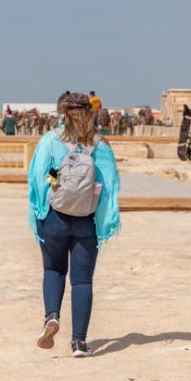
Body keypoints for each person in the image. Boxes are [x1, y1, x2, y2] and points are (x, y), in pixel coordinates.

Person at [27, 92, 121, 357]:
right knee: (82, 282)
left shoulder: (51, 141)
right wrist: (103, 222)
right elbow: (110, 188)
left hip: (55, 217)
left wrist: (56, 185)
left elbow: (38, 179)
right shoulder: (101, 145)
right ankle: (79, 342)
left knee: (54, 270)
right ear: (90, 115)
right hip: (86, 222)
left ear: (64, 114)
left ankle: (51, 317)